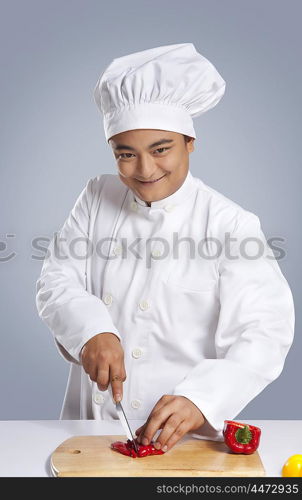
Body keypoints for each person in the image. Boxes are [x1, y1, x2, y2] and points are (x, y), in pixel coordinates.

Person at [36, 43, 295, 453]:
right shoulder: (95, 196)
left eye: (161, 149)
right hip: (87, 432)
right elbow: (56, 279)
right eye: (126, 154)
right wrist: (92, 330)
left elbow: (263, 330)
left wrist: (202, 399)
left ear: (190, 141)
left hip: (183, 438)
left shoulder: (230, 224)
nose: (144, 170)